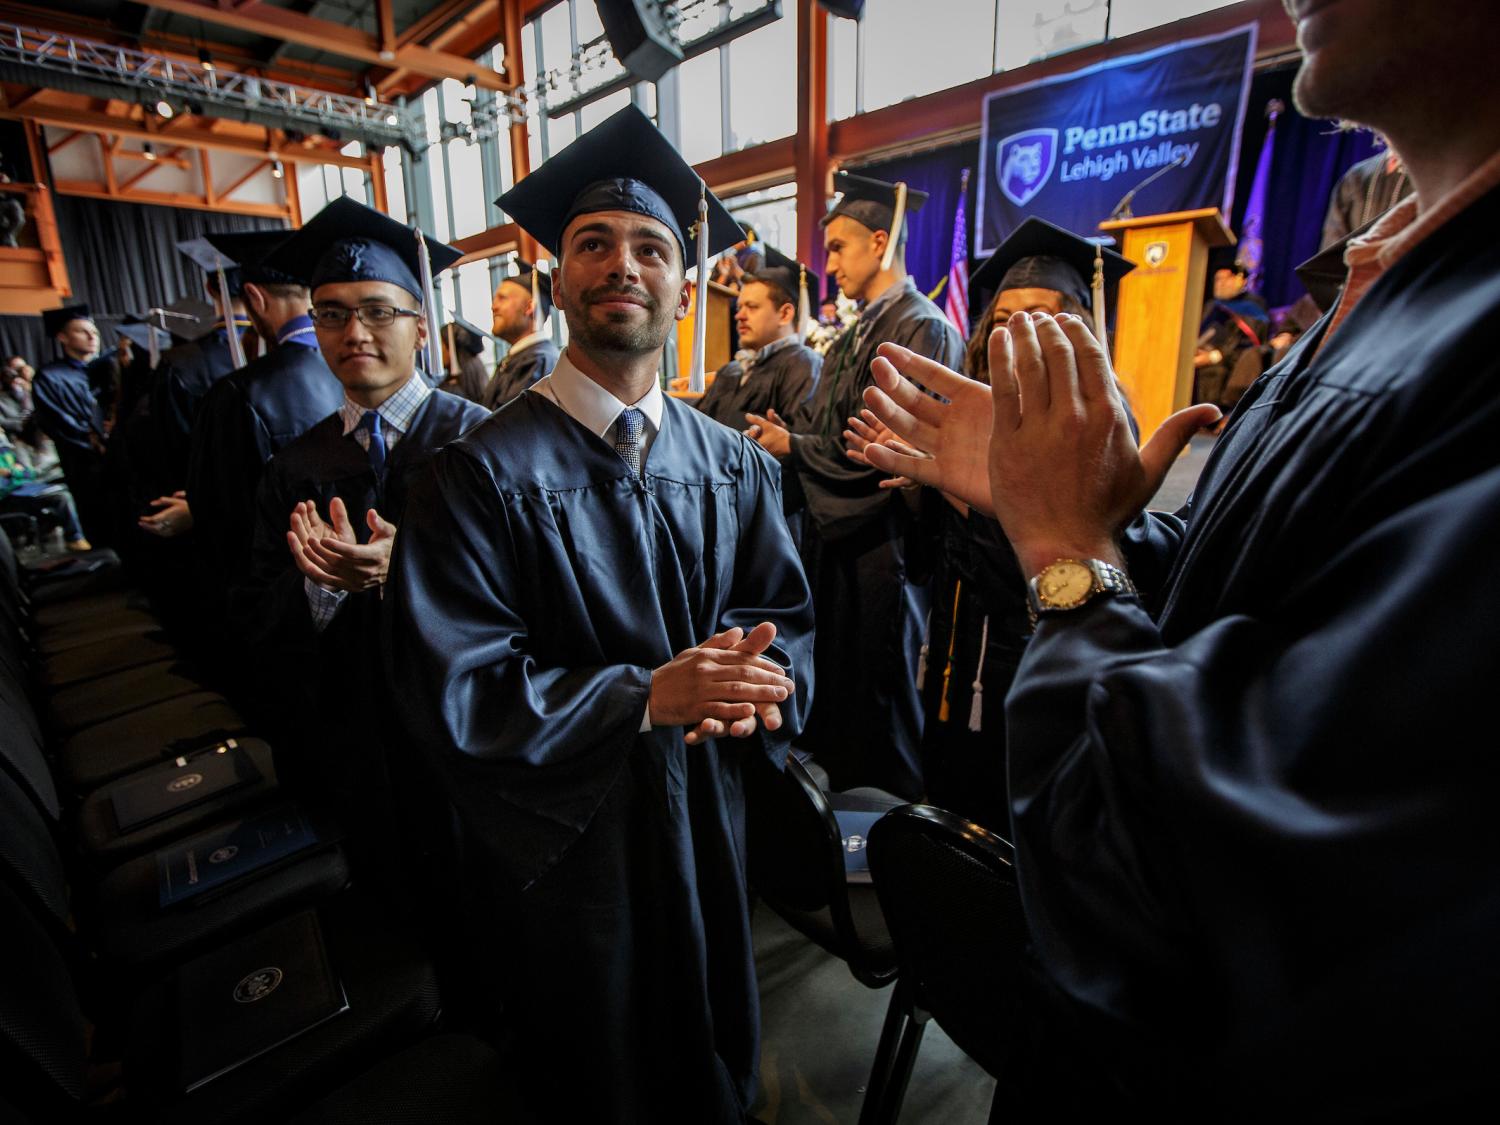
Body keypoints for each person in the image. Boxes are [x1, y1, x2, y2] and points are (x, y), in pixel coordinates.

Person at [856, 0, 1500, 1110]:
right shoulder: (1393, 290)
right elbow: (1261, 593)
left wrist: (1065, 544)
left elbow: (1166, 885)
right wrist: (1075, 516)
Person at [385, 104, 814, 1123]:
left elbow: (784, 613)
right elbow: (460, 681)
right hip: (572, 846)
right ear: (559, 278)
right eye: (594, 244)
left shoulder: (736, 466)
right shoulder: (475, 476)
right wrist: (642, 698)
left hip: (707, 815)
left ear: (682, 281)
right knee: (594, 1065)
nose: (624, 264)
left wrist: (758, 683)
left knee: (714, 1033)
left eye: (651, 248)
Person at [847, 217, 1133, 830]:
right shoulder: (973, 411)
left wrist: (958, 493)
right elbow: (929, 560)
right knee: (946, 796)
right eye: (1003, 320)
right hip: (950, 649)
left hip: (1026, 660)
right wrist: (918, 488)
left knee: (1005, 815)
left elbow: (1049, 570)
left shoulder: (1099, 423)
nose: (1018, 333)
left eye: (1039, 314)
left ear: (1081, 325)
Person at [231, 197, 488, 819]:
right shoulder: (293, 466)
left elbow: (538, 586)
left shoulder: (487, 441)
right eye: (333, 315)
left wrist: (413, 565)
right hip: (350, 736)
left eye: (379, 311)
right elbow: (253, 609)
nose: (355, 333)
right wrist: (321, 586)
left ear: (420, 327)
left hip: (468, 729)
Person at [747, 171, 964, 800]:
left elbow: (900, 450)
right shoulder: (860, 330)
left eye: (839, 247)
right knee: (844, 676)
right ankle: (847, 811)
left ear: (880, 239)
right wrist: (797, 435)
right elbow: (834, 428)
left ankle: (892, 821)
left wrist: (799, 446)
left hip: (884, 535)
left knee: (884, 682)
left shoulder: (923, 327)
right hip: (840, 530)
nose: (830, 263)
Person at [176, 229, 344, 619]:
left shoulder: (239, 394)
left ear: (253, 297)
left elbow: (220, 511)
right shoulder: (361, 374)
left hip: (279, 592)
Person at [147, 238, 254, 496]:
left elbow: (171, 449)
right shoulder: (286, 354)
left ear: (209, 288)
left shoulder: (180, 363)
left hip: (208, 498)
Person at [693, 246, 821, 430]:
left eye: (751, 307)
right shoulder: (731, 371)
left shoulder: (804, 366)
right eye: (739, 308)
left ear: (785, 314)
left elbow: (797, 444)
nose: (739, 316)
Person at [31, 305, 114, 542]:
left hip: (121, 460)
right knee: (102, 526)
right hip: (86, 465)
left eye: (95, 332)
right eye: (82, 331)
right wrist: (98, 443)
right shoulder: (50, 377)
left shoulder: (110, 368)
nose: (92, 337)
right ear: (62, 337)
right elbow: (58, 423)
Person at [1193, 260, 1271, 412]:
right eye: (1217, 279)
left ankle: (1210, 420)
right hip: (1199, 356)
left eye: (1225, 278)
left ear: (1239, 279)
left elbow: (1251, 343)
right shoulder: (1211, 306)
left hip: (1231, 360)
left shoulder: (1252, 306)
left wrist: (1214, 356)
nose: (1220, 283)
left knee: (1213, 372)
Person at [481, 262, 559, 409]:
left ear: (530, 307)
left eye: (502, 298)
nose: (493, 306)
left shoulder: (539, 361)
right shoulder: (516, 359)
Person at [438, 314, 492, 403]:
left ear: (452, 350)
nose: (438, 351)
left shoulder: (449, 394)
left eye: (441, 345)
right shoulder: (484, 383)